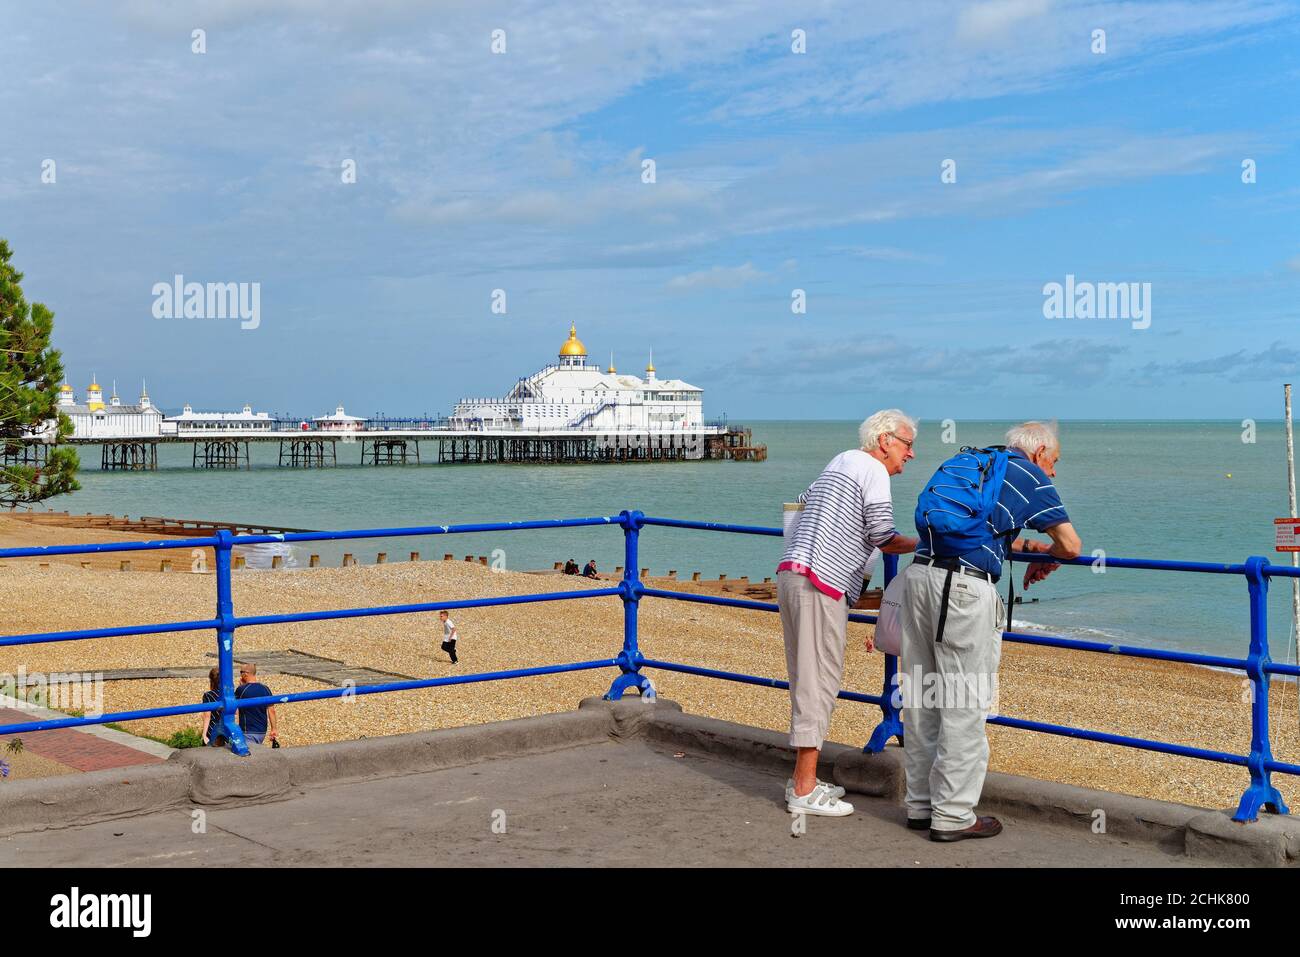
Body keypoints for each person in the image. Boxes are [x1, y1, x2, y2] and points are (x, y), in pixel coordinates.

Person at [901, 421, 1081, 841]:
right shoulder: (1029, 475)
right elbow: (1071, 545)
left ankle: (920, 807)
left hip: (921, 577)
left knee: (923, 697)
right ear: (1038, 454)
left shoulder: (972, 461)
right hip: (963, 591)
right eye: (1053, 463)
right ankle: (954, 816)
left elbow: (981, 532)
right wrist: (1051, 552)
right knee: (966, 704)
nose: (1053, 473)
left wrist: (1030, 549)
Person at [777, 409, 919, 816]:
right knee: (819, 680)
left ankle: (804, 779)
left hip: (794, 572)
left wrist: (806, 547)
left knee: (807, 675)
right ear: (885, 440)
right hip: (820, 583)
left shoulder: (840, 461)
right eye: (907, 445)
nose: (910, 454)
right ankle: (803, 790)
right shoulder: (872, 470)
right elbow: (882, 535)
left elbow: (796, 508)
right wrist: (928, 542)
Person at [234, 662, 279, 746]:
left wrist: (240, 687)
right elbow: (271, 710)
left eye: (241, 672)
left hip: (248, 731)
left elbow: (234, 710)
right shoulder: (265, 689)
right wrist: (274, 729)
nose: (240, 675)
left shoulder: (241, 690)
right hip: (262, 731)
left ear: (246, 674)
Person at [200, 667, 226, 747]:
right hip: (226, 727)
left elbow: (207, 716)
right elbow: (236, 712)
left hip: (213, 728)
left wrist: (204, 734)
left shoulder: (208, 695)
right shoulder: (227, 694)